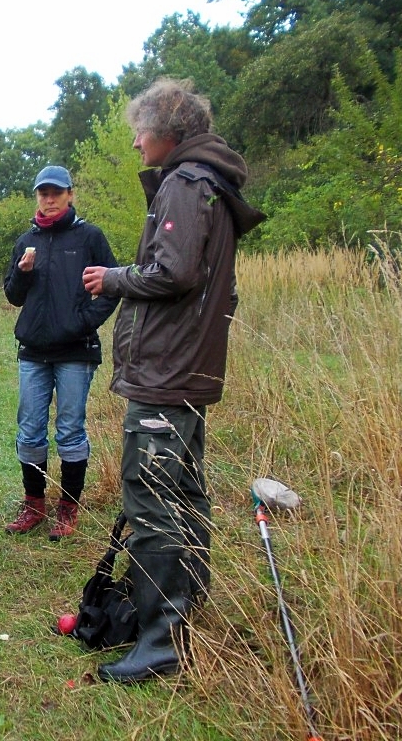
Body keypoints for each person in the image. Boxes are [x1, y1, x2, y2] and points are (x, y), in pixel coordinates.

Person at [83, 78, 265, 682]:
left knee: (155, 501)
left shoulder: (187, 185)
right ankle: (177, 619)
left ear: (168, 130)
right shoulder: (207, 183)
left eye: (140, 130)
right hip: (186, 368)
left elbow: (173, 272)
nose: (135, 142)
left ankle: (162, 645)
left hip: (167, 371)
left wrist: (113, 278)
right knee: (182, 494)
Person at [3, 165, 120, 540]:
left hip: (76, 351)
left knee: (70, 430)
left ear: (70, 194)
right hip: (33, 352)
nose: (49, 199)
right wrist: (22, 273)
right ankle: (34, 504)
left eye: (55, 192)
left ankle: (68, 508)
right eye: (43, 193)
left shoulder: (89, 237)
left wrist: (84, 321)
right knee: (30, 431)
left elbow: (113, 287)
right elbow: (13, 295)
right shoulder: (26, 241)